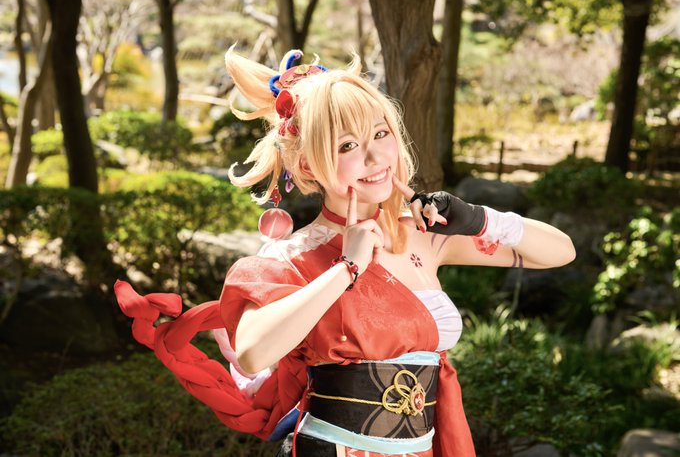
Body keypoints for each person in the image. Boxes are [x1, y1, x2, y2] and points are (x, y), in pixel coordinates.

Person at [114, 47, 576, 457]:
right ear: (308, 165)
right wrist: (347, 267)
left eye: (381, 134)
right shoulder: (289, 258)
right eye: (348, 146)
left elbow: (559, 252)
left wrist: (476, 217)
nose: (375, 158)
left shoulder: (422, 236)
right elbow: (253, 352)